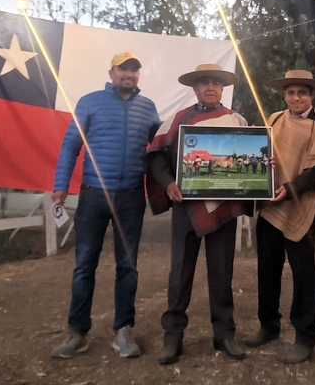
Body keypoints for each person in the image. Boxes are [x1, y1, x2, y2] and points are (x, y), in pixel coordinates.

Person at [50, 52, 161, 359]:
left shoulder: (148, 108)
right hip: (93, 196)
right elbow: (71, 143)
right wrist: (61, 185)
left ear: (138, 75)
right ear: (111, 72)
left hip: (130, 197)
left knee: (128, 266)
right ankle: (77, 332)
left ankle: (124, 331)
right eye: (123, 68)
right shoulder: (89, 102)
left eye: (134, 69)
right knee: (85, 265)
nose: (129, 73)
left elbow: (163, 147)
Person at [145, 64, 252, 365]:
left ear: (222, 88)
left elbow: (250, 157)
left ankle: (224, 335)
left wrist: (262, 167)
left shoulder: (238, 120)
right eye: (204, 82)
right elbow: (155, 157)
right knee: (180, 274)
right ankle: (172, 337)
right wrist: (167, 184)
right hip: (186, 209)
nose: (210, 87)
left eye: (215, 82)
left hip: (225, 208)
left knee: (222, 274)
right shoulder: (179, 119)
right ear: (194, 88)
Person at [245, 70, 315, 364]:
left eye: (302, 92)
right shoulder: (274, 119)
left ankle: (305, 337)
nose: (296, 97)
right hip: (269, 207)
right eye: (291, 92)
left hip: (300, 207)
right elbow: (260, 154)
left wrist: (291, 190)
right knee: (267, 269)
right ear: (285, 95)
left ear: (312, 95)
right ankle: (269, 326)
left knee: (304, 274)